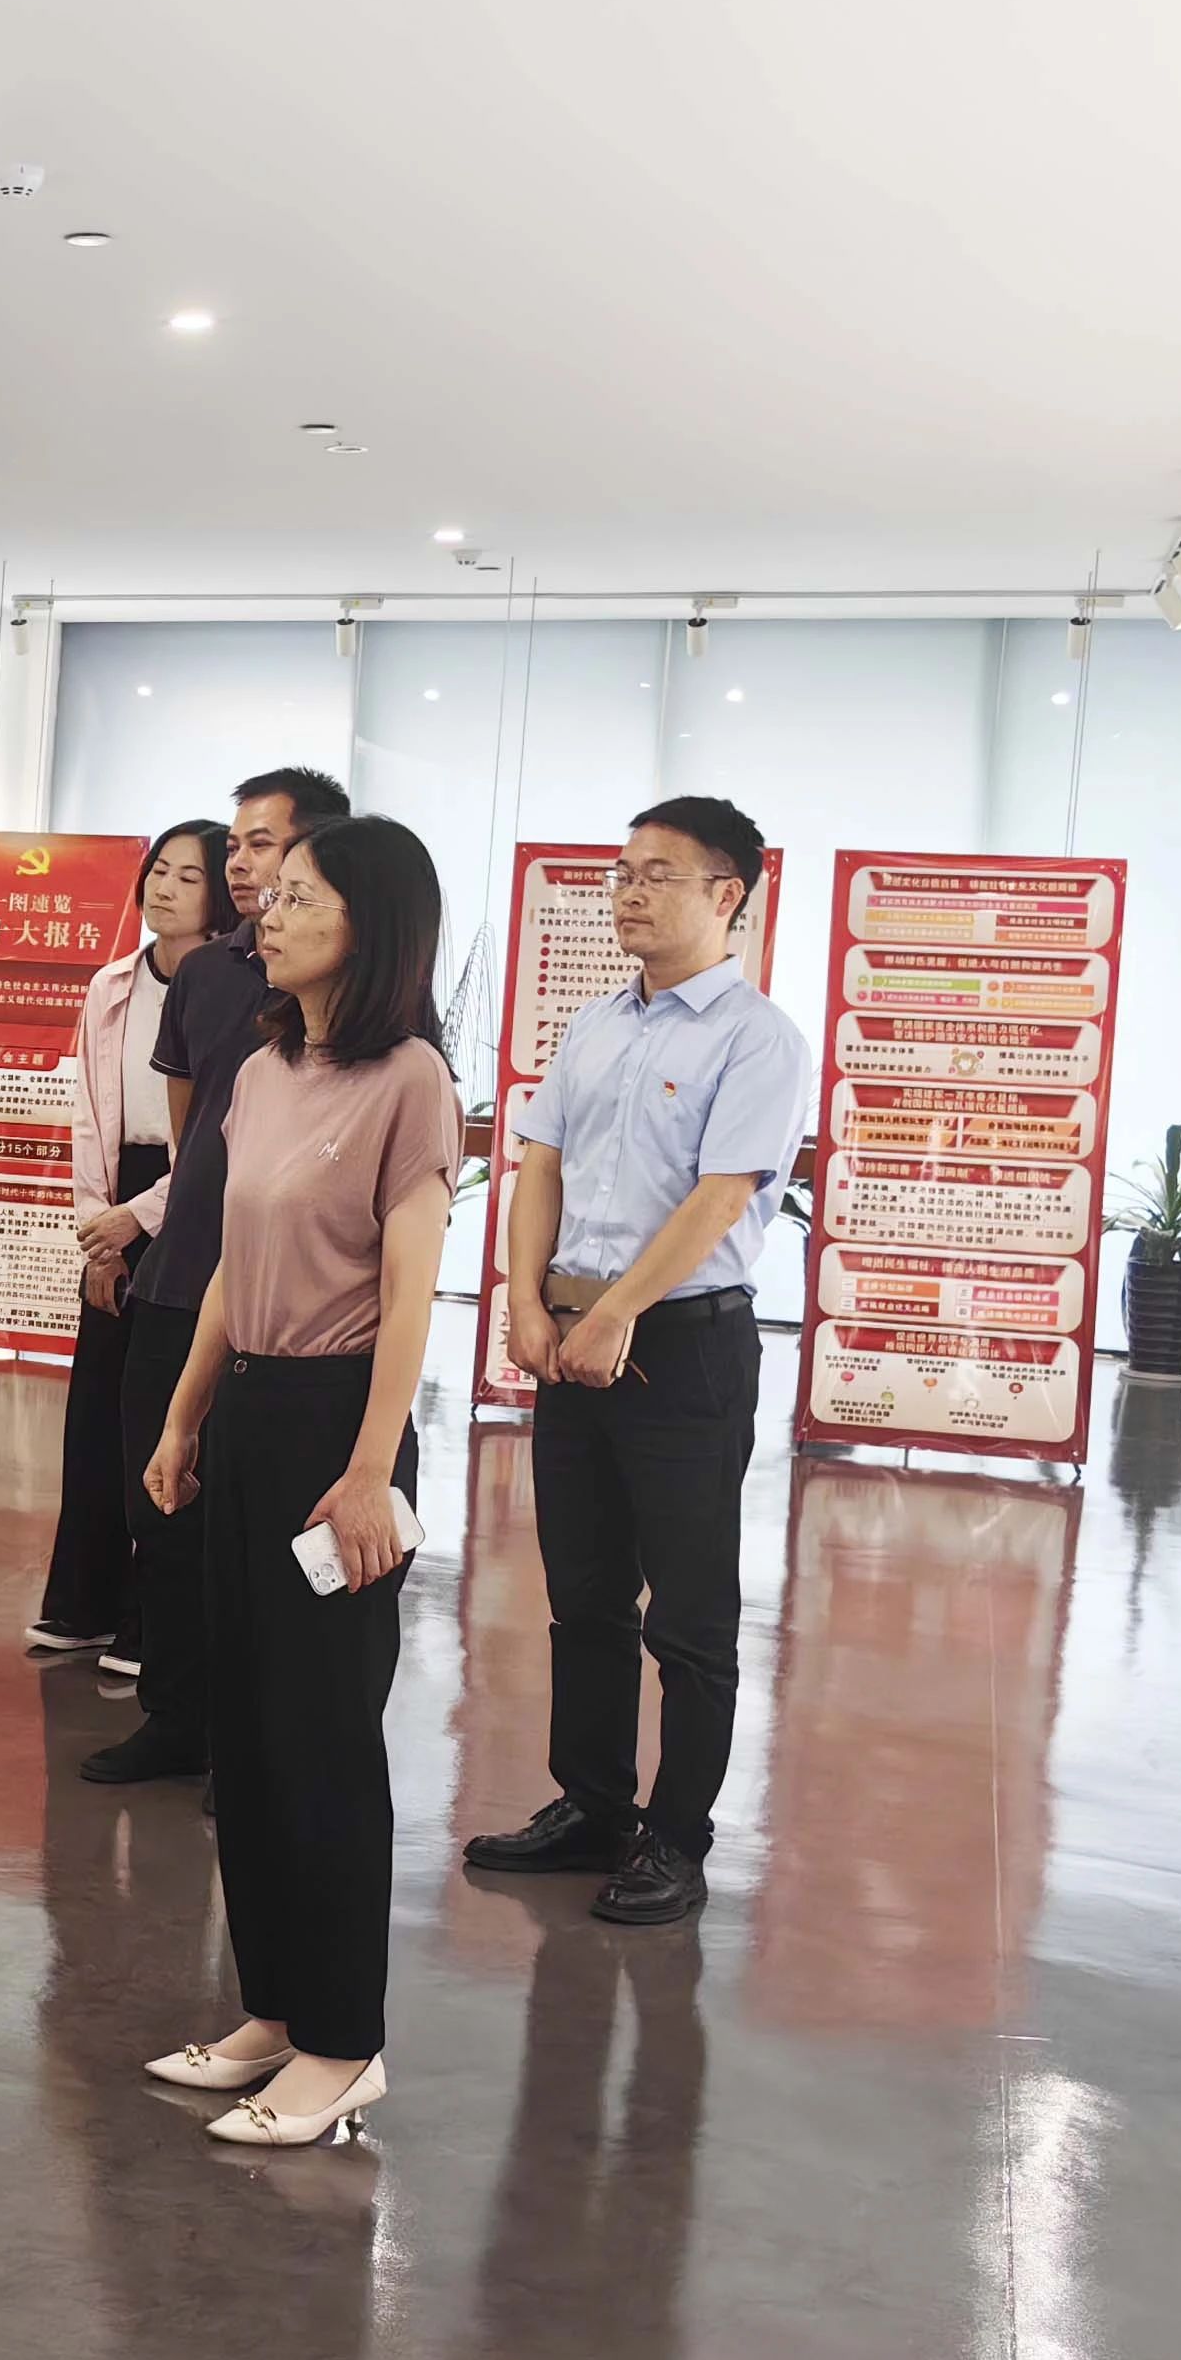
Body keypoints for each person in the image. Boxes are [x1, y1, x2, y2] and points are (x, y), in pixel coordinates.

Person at [138, 813, 458, 2147]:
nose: (265, 909)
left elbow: (411, 1288)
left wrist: (371, 1469)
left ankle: (342, 2045)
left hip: (341, 1423)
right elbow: (230, 1263)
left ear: (370, 925)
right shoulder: (265, 1069)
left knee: (324, 1741)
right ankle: (273, 2009)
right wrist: (183, 1416)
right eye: (272, 894)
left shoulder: (411, 1079)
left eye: (301, 895)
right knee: (251, 1737)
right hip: (252, 1415)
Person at [464, 795, 812, 1929]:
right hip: (572, 1334)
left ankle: (677, 1837)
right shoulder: (596, 1024)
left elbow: (721, 1196)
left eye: (657, 873)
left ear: (727, 894)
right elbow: (540, 1163)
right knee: (584, 1597)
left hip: (682, 1345)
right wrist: (524, 1299)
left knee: (691, 1617)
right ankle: (594, 1805)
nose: (627, 891)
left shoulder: (758, 1037)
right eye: (621, 872)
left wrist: (617, 1310)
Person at [81, 765, 353, 1790]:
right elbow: (195, 1132)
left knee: (266, 1528)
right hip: (185, 1275)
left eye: (262, 845)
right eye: (232, 845)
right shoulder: (202, 975)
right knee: (163, 1506)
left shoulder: (351, 984)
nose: (240, 864)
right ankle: (176, 1718)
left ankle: (252, 1740)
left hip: (288, 1305)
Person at [29, 819, 237, 1671]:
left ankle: (152, 1623)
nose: (164, 888)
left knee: (166, 1416)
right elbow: (89, 1114)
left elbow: (214, 1135)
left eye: (189, 877)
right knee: (98, 1412)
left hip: (193, 1198)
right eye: (159, 871)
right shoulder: (112, 983)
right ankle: (83, 1602)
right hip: (117, 1195)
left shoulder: (233, 988)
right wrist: (101, 1235)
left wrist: (141, 1218)